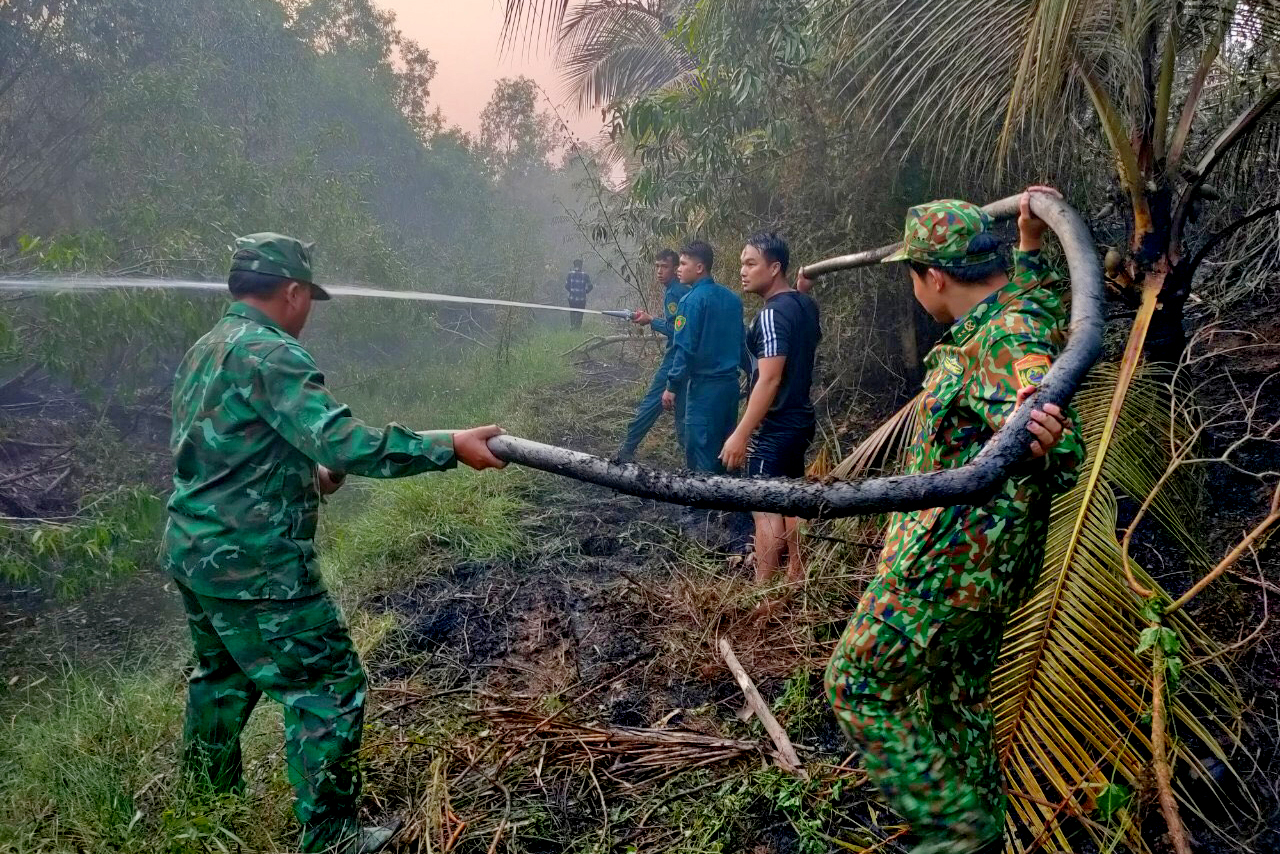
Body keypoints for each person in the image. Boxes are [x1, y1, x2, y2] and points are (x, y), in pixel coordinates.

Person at [165, 233, 507, 854]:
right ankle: (330, 837)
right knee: (329, 685)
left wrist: (311, 475)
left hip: (195, 551)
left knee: (221, 678)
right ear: (293, 292)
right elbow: (344, 441)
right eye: (308, 297)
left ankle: (205, 808)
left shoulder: (207, 348)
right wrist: (448, 446)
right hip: (256, 566)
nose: (309, 309)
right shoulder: (273, 354)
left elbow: (221, 451)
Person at [823, 189, 1083, 854]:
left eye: (913, 274)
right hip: (986, 576)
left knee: (857, 682)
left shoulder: (1000, 340)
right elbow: (1039, 304)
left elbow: (1042, 415)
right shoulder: (1012, 309)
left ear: (933, 277)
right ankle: (985, 836)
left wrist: (1042, 428)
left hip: (946, 571)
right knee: (955, 705)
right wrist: (1029, 243)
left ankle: (960, 830)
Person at [719, 233, 821, 586]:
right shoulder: (803, 305)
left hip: (776, 425)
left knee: (764, 507)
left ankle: (764, 593)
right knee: (792, 500)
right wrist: (801, 288)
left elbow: (769, 379)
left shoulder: (771, 315)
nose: (743, 272)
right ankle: (796, 578)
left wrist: (741, 433)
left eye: (751, 263)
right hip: (801, 420)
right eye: (741, 264)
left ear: (774, 267)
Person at [661, 240, 746, 474]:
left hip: (705, 390)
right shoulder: (733, 300)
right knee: (727, 447)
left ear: (700, 268)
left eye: (684, 263)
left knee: (700, 450)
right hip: (730, 388)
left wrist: (672, 386)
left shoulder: (690, 302)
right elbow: (742, 345)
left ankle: (703, 509)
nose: (679, 268)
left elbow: (685, 349)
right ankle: (729, 503)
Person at [615, 249, 690, 461]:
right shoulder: (680, 289)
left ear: (675, 269)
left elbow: (677, 329)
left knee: (652, 402)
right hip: (685, 358)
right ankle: (693, 463)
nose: (659, 271)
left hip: (675, 357)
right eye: (657, 266)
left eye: (664, 267)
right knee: (683, 413)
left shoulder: (675, 292)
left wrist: (651, 321)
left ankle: (626, 450)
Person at [565, 259, 592, 329]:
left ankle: (572, 327)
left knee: (573, 313)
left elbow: (566, 286)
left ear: (574, 265)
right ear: (581, 266)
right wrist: (585, 291)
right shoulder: (585, 275)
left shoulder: (570, 274)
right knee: (580, 314)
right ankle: (578, 328)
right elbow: (590, 286)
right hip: (582, 299)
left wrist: (571, 291)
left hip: (572, 299)